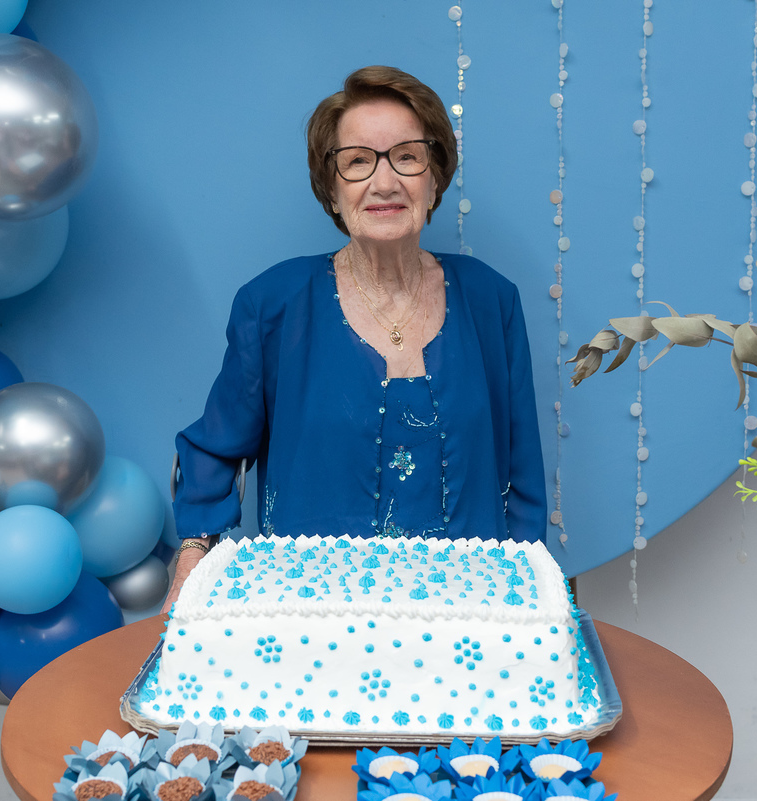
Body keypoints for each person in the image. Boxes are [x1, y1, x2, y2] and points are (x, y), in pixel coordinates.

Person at [163, 66, 546, 609]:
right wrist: (193, 555)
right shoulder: (273, 303)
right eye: (359, 161)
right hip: (310, 614)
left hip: (467, 617)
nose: (384, 183)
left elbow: (522, 472)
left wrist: (531, 601)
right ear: (332, 187)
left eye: (408, 157)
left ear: (434, 178)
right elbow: (217, 444)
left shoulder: (492, 299)